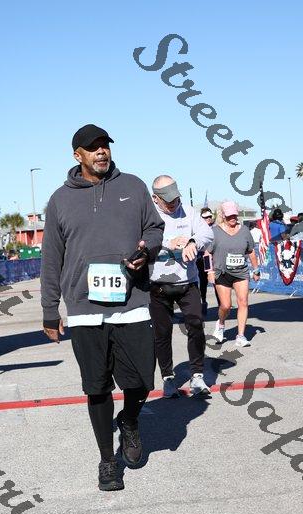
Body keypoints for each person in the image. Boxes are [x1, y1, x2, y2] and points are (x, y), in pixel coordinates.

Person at [41, 124, 164, 492]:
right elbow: (51, 259)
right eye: (92, 147)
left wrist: (146, 251)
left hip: (132, 302)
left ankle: (130, 420)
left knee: (141, 380)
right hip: (84, 309)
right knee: (96, 387)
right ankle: (108, 460)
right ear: (77, 155)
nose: (101, 152)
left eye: (104, 146)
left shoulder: (133, 186)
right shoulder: (60, 200)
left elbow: (154, 228)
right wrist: (50, 309)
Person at [149, 175, 214, 399]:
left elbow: (208, 234)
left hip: (188, 282)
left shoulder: (189, 212)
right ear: (155, 198)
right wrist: (168, 243)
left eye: (175, 198)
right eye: (167, 200)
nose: (173, 204)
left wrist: (194, 242)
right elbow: (138, 240)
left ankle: (197, 375)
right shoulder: (147, 214)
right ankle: (168, 377)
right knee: (162, 332)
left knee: (196, 325)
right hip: (158, 285)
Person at [206, 201, 260, 347]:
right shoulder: (215, 232)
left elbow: (251, 251)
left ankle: (240, 336)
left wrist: (256, 269)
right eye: (229, 216)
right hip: (222, 273)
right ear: (223, 215)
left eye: (234, 215)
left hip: (241, 272)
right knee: (226, 306)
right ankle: (221, 324)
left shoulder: (244, 231)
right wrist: (209, 271)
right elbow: (207, 253)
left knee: (243, 302)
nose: (232, 218)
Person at [196, 207, 219, 314]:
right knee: (203, 282)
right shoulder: (198, 229)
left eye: (209, 216)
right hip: (202, 258)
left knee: (217, 281)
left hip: (214, 258)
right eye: (205, 217)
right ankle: (203, 301)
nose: (208, 218)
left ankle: (221, 304)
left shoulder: (216, 228)